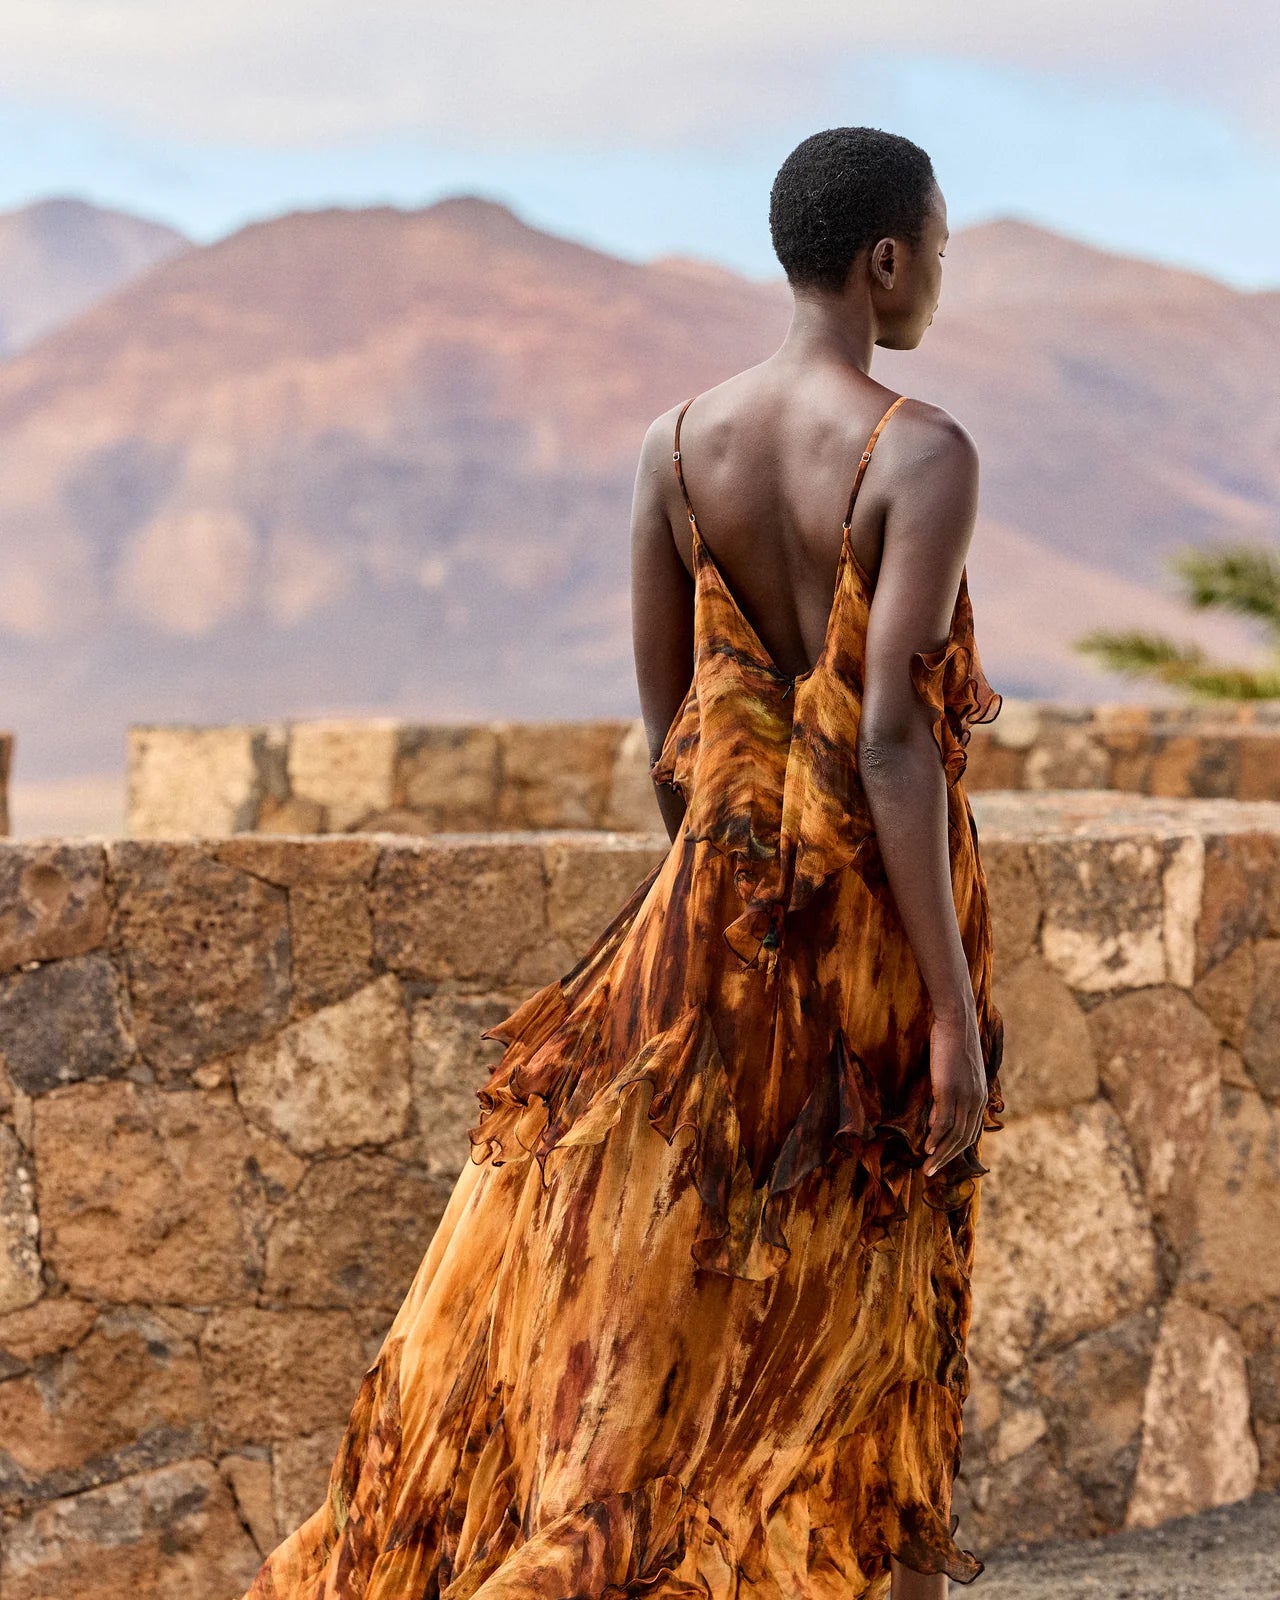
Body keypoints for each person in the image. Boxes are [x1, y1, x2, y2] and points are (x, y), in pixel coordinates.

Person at [242, 125, 1006, 1600]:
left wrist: (720, 915)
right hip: (871, 950)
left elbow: (670, 735)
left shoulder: (674, 446)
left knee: (693, 1306)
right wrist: (954, 1016)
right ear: (887, 258)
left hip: (709, 929)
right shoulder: (921, 451)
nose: (939, 279)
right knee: (863, 1314)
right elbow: (898, 750)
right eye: (941, 247)